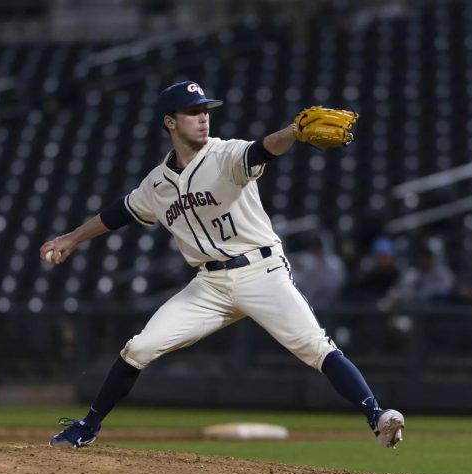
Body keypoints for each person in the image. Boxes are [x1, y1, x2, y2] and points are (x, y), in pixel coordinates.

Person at [40, 81, 404, 449]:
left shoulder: (225, 155)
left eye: (205, 111)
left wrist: (293, 132)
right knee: (139, 348)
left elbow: (263, 150)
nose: (203, 119)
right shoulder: (157, 184)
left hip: (261, 272)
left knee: (315, 346)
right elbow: (119, 213)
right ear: (170, 122)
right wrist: (70, 239)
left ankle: (378, 417)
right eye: (193, 112)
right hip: (208, 286)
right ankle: (88, 427)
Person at [288, 231, 347, 308]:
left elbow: (338, 285)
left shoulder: (335, 264)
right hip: (311, 306)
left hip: (332, 306)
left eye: (319, 246)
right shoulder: (307, 263)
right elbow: (298, 281)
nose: (317, 250)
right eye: (315, 247)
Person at [348, 236, 400, 302]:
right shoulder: (366, 273)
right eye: (381, 256)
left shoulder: (396, 273)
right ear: (374, 256)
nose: (384, 260)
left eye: (386, 256)